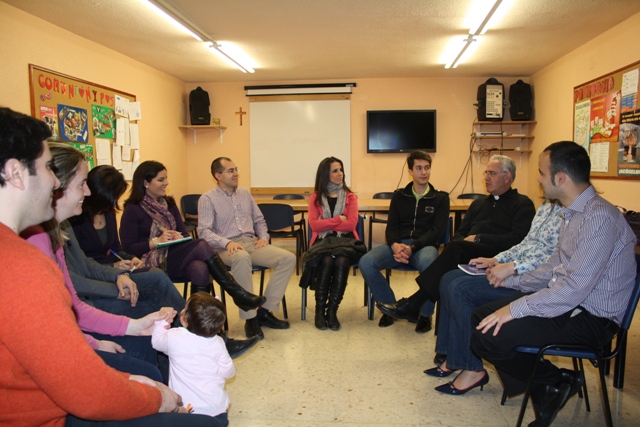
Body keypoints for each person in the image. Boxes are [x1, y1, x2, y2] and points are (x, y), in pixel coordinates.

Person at [0, 107, 214, 426]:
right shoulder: (20, 264)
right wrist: (156, 397)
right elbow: (82, 388)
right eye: (47, 167)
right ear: (16, 173)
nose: (55, 182)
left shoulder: (23, 251)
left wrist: (128, 329)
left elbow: (61, 339)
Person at [471, 141, 637, 427]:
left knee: (487, 336)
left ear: (561, 178)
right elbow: (554, 266)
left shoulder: (598, 219)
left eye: (541, 173)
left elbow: (572, 289)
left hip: (592, 319)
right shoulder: (574, 213)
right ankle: (549, 385)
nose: (538, 179)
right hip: (572, 305)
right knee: (481, 316)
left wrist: (515, 309)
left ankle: (552, 382)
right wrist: (515, 281)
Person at [22, 142, 175, 381]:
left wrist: (118, 274)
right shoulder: (38, 237)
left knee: (155, 293)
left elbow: (82, 275)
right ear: (56, 185)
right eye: (81, 184)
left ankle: (185, 354)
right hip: (79, 318)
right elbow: (63, 311)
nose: (87, 192)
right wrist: (96, 340)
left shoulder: (58, 229)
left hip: (83, 311)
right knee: (152, 309)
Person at [425, 200, 563, 396]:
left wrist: (513, 267)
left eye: (544, 180)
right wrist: (496, 259)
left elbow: (555, 261)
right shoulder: (546, 206)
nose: (541, 183)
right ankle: (454, 357)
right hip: (516, 270)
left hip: (531, 281)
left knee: (459, 289)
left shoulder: (571, 215)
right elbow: (525, 244)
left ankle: (472, 369)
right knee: (448, 279)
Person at [377, 154, 536, 321]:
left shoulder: (522, 204)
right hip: (469, 251)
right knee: (454, 247)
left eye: (492, 173)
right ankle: (417, 307)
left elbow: (518, 239)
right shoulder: (479, 204)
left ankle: (413, 304)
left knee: (454, 248)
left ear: (507, 177)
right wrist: (464, 241)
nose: (486, 177)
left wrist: (478, 238)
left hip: (499, 254)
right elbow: (461, 232)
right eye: (486, 173)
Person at [120, 160, 266, 313]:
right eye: (161, 180)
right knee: (201, 244)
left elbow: (184, 234)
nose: (166, 183)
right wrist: (156, 242)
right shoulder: (133, 209)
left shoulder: (169, 203)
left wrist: (177, 236)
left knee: (200, 268)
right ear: (146, 183)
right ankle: (237, 293)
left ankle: (198, 320)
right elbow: (128, 248)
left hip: (174, 256)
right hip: (150, 262)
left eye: (166, 178)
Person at [199, 157, 295, 340]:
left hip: (250, 243)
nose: (236, 174)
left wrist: (263, 237)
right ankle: (250, 319)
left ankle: (263, 312)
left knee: (288, 258)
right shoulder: (208, 199)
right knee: (242, 258)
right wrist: (227, 243)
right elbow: (204, 232)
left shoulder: (245, 194)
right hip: (224, 248)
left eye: (236, 169)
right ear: (218, 175)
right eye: (230, 171)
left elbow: (259, 220)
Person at [358, 151, 450, 332]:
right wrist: (394, 245)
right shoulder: (399, 195)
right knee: (366, 262)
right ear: (410, 171)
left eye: (427, 168)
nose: (424, 172)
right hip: (398, 245)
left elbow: (436, 232)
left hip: (424, 247)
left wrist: (413, 247)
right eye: (419, 168)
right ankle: (391, 308)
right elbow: (391, 226)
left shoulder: (441, 198)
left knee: (430, 264)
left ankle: (425, 314)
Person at [152, 293, 235, 426]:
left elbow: (156, 342)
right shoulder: (218, 342)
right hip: (215, 408)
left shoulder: (174, 337)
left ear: (184, 319)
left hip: (186, 409)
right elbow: (228, 372)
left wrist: (163, 321)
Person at [301, 157, 363, 331]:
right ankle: (320, 311)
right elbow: (314, 225)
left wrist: (326, 222)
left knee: (342, 261)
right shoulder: (315, 198)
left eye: (341, 169)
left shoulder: (350, 197)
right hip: (323, 242)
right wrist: (338, 219)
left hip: (346, 241)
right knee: (327, 260)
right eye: (335, 170)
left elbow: (351, 224)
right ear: (325, 174)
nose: (340, 173)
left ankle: (332, 311)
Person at [69, 165, 144, 269]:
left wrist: (132, 259)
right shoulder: (75, 219)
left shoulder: (109, 214)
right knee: (155, 276)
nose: (115, 201)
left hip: (110, 270)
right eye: (115, 197)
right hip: (94, 273)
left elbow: (116, 250)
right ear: (103, 196)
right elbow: (79, 263)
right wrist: (112, 266)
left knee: (155, 274)